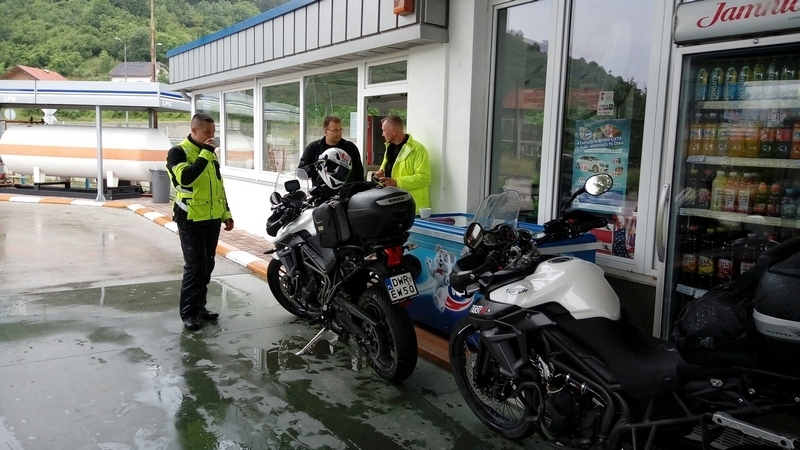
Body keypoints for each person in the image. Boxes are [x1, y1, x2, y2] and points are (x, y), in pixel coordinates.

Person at [166, 113, 234, 331]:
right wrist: (205, 152)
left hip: (212, 217)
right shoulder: (178, 152)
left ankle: (200, 306)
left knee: (207, 265)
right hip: (190, 217)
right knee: (195, 267)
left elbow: (218, 186)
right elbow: (185, 178)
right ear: (194, 130)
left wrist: (226, 213)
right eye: (207, 132)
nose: (211, 136)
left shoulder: (209, 154)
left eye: (213, 132)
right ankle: (188, 313)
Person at [375, 115, 431, 214]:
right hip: (393, 207)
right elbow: (388, 176)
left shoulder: (418, 150)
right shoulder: (389, 149)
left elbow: (424, 178)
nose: (382, 134)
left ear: (393, 131)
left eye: (384, 130)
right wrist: (380, 176)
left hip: (413, 209)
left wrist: (397, 182)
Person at [299, 115, 364, 185]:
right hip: (321, 190)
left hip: (347, 190)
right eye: (335, 130)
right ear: (325, 131)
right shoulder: (313, 148)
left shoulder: (350, 147)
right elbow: (301, 173)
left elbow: (359, 173)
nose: (339, 133)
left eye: (340, 130)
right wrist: (318, 166)